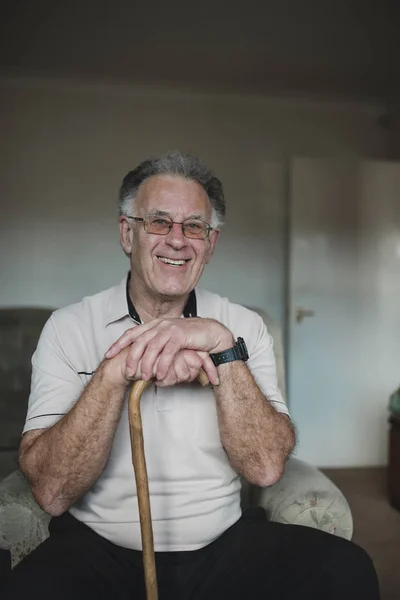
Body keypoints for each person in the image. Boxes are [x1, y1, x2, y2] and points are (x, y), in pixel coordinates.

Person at [4, 151, 379, 600]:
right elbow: (52, 490)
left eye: (194, 226)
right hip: (98, 547)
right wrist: (119, 369)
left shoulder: (242, 326)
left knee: (347, 572)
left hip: (223, 543)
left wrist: (222, 347)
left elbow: (264, 466)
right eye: (159, 222)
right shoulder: (68, 327)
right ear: (128, 233)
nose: (177, 240)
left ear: (211, 242)